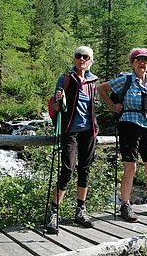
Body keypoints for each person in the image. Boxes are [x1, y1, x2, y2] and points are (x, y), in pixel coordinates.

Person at [97, 47, 147, 222]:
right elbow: (101, 89)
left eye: (145, 60)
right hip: (129, 124)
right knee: (131, 167)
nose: (142, 63)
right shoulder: (126, 79)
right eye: (138, 60)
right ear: (133, 63)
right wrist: (113, 106)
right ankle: (125, 205)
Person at [46, 46, 98, 234]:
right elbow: (56, 107)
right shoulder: (66, 78)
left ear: (91, 61)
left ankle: (80, 210)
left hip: (89, 131)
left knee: (84, 169)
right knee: (67, 170)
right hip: (70, 131)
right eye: (78, 56)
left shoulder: (93, 81)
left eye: (86, 57)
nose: (82, 59)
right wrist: (58, 101)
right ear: (74, 59)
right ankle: (53, 213)